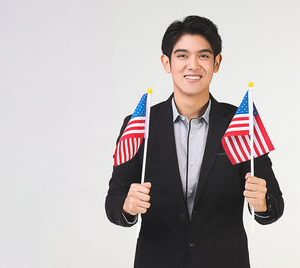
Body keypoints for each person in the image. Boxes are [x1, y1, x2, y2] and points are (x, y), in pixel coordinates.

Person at [105, 15, 284, 268]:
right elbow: (113, 201)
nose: (193, 65)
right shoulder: (141, 124)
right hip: (157, 260)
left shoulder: (240, 123)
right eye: (182, 56)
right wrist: (127, 206)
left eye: (203, 56)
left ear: (217, 62)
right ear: (166, 62)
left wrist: (263, 204)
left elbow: (275, 204)